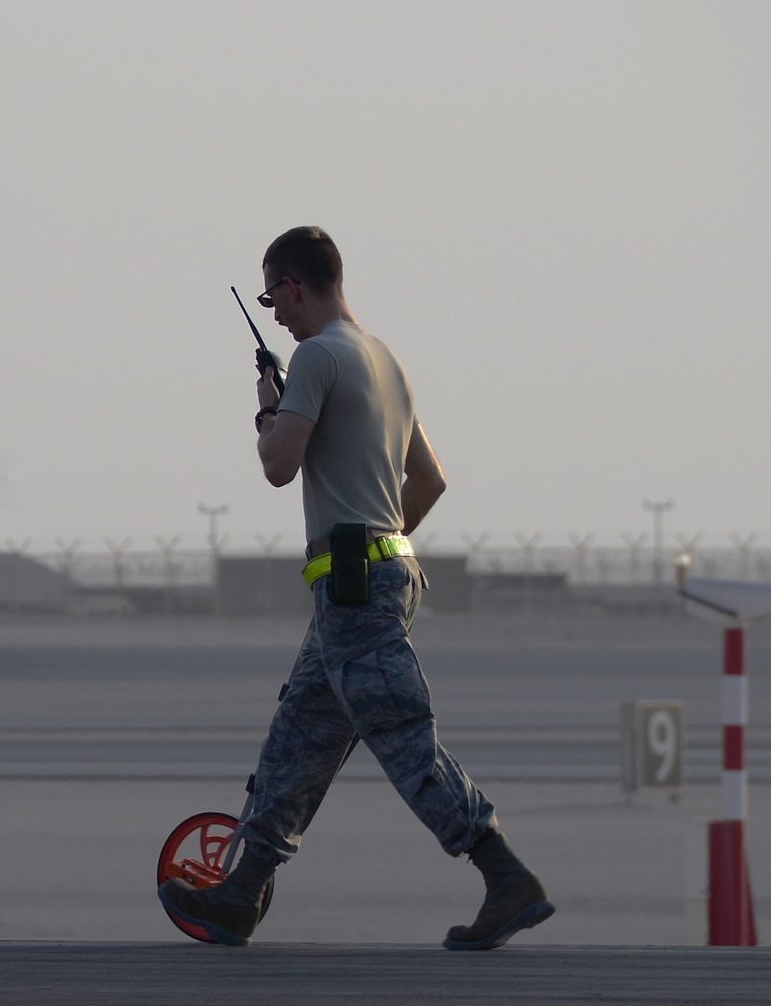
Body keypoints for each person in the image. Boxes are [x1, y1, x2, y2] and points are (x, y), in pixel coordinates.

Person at [159, 226, 554, 950]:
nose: (272, 311)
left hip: (353, 586)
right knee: (299, 736)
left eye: (272, 294)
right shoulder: (384, 359)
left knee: (403, 737)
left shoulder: (315, 358)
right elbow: (429, 479)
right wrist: (380, 540)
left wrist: (267, 409)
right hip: (375, 578)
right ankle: (241, 894)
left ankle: (504, 874)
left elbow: (279, 465)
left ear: (295, 285)